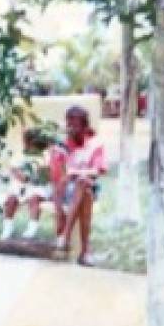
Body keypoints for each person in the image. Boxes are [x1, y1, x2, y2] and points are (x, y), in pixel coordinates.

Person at [52, 105, 107, 266]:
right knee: (86, 192)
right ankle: (85, 252)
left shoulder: (95, 143)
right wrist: (58, 210)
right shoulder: (61, 144)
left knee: (84, 184)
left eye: (75, 125)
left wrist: (76, 173)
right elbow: (58, 176)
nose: (71, 129)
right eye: (69, 124)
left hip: (86, 185)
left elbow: (98, 170)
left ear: (85, 125)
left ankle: (65, 236)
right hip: (64, 190)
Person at [1, 128, 55, 240]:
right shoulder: (20, 154)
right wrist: (20, 176)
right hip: (21, 185)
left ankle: (32, 228)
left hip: (39, 186)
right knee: (10, 200)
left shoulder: (45, 156)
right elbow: (13, 169)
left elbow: (46, 176)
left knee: (34, 199)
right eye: (27, 142)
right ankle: (7, 227)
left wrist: (35, 177)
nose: (27, 145)